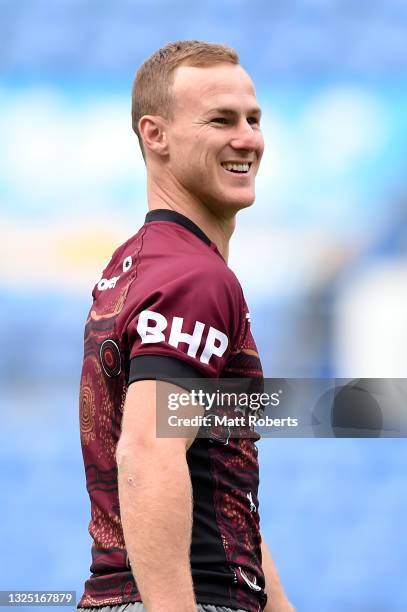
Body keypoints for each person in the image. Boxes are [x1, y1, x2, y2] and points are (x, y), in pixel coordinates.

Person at [77, 41, 293, 612]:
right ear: (156, 135)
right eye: (220, 120)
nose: (248, 138)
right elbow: (149, 452)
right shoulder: (194, 278)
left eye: (252, 119)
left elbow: (220, 490)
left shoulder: (136, 264)